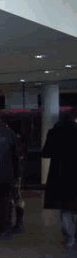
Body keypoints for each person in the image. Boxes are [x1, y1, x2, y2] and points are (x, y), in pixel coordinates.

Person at [42, 106, 77, 248]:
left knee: (66, 208)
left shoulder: (54, 131)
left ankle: (70, 238)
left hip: (61, 175)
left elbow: (46, 153)